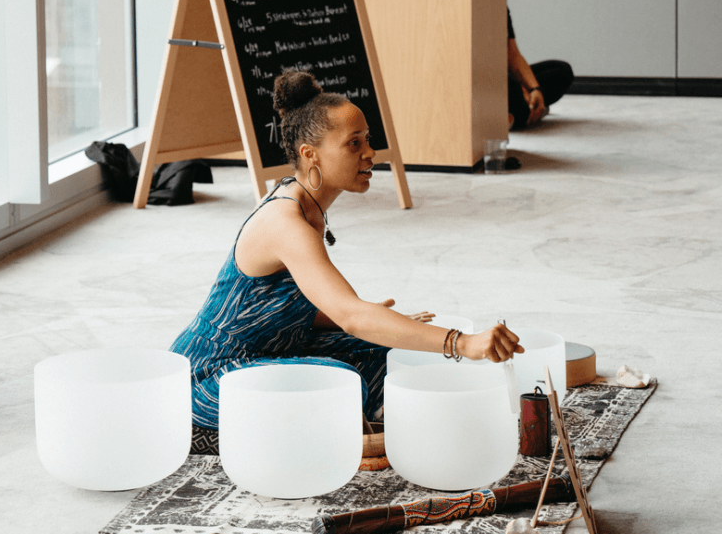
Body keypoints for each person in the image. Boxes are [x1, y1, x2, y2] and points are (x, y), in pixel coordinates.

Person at [170, 69, 523, 441]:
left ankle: (361, 416)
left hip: (273, 349)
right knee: (343, 384)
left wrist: (380, 322)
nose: (371, 153)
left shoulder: (306, 205)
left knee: (385, 349)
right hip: (209, 374)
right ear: (311, 155)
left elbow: (285, 304)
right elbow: (352, 316)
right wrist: (461, 343)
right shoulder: (285, 222)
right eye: (354, 144)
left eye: (367, 140)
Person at [507, 8, 574, 130]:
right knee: (512, 90)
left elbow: (513, 55)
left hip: (505, 78)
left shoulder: (499, 6)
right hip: (483, 77)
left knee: (562, 71)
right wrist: (520, 88)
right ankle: (520, 112)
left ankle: (522, 111)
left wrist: (535, 89)